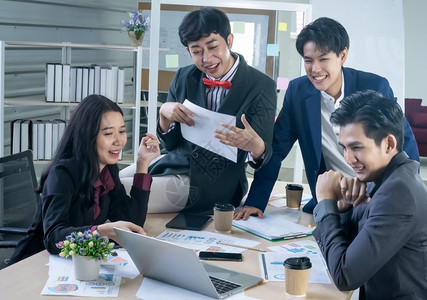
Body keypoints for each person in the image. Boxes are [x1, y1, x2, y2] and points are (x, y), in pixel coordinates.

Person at [235, 17, 419, 220]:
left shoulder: (375, 86)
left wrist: (404, 196)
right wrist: (255, 201)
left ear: (342, 55)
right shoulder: (298, 92)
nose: (315, 69)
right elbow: (277, 149)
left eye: (323, 59)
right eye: (308, 60)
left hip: (375, 198)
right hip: (331, 200)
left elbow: (404, 145)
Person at [119, 7, 276, 214]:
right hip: (171, 163)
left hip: (216, 183)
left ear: (229, 41)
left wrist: (257, 147)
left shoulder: (261, 85)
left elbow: (263, 158)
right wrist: (163, 115)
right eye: (197, 51)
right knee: (106, 181)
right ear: (188, 51)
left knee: (118, 192)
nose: (207, 59)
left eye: (213, 47)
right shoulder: (184, 76)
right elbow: (170, 144)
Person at [312, 90, 427, 299]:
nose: (348, 159)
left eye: (356, 147)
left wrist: (325, 204)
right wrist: (343, 208)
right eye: (344, 148)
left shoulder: (399, 192)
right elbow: (351, 251)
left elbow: (345, 276)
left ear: (389, 144)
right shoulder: (386, 178)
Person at [9, 95, 160, 265]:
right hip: (33, 263)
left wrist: (142, 164)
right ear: (88, 136)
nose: (119, 141)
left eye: (122, 131)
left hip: (71, 264)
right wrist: (100, 231)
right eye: (109, 133)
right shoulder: (62, 173)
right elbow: (53, 239)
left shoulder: (107, 169)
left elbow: (133, 223)